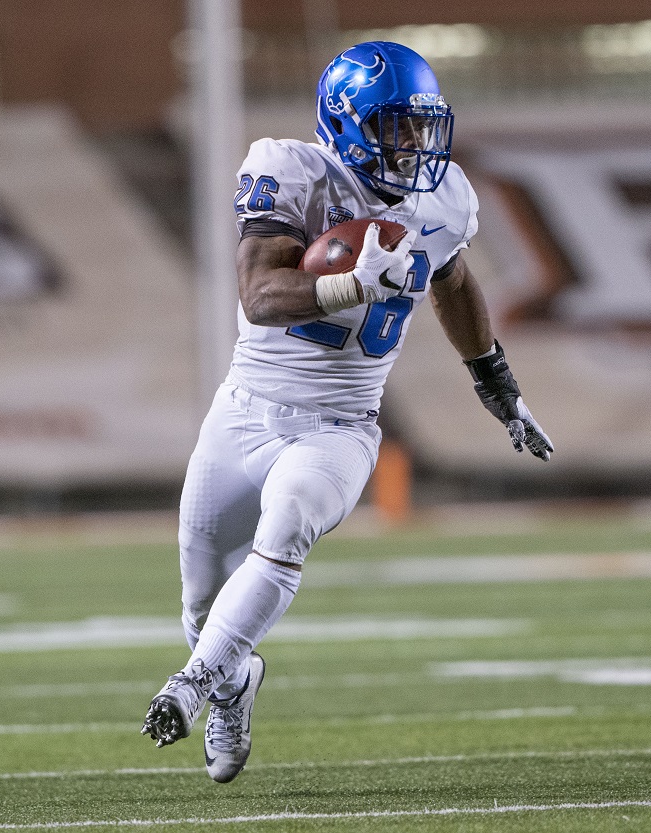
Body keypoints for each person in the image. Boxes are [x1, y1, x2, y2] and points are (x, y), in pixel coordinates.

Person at [140, 40, 554, 783]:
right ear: (349, 120)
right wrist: (349, 287)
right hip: (243, 413)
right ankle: (233, 677)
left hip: (341, 427)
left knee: (291, 517)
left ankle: (195, 684)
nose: (416, 146)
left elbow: (453, 284)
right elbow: (260, 297)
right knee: (202, 606)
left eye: (424, 128)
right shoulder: (290, 169)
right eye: (398, 127)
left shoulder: (444, 198)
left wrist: (494, 378)